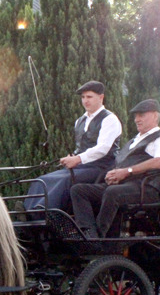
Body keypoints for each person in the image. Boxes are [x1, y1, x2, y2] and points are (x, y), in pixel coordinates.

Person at [70, 99, 160, 238]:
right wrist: (111, 175)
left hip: (147, 188)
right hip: (124, 185)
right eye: (135, 116)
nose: (137, 119)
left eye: (141, 115)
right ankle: (88, 231)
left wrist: (127, 172)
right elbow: (119, 164)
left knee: (112, 192)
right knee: (79, 190)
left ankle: (99, 238)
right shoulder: (134, 140)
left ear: (155, 116)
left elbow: (159, 162)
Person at [24, 80, 121, 211]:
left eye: (89, 97)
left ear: (101, 97)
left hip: (101, 167)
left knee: (65, 179)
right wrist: (73, 156)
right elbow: (81, 146)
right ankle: (28, 211)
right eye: (83, 97)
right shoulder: (79, 121)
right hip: (82, 167)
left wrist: (78, 159)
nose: (85, 101)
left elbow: (103, 148)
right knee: (43, 178)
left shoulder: (109, 119)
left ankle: (43, 211)